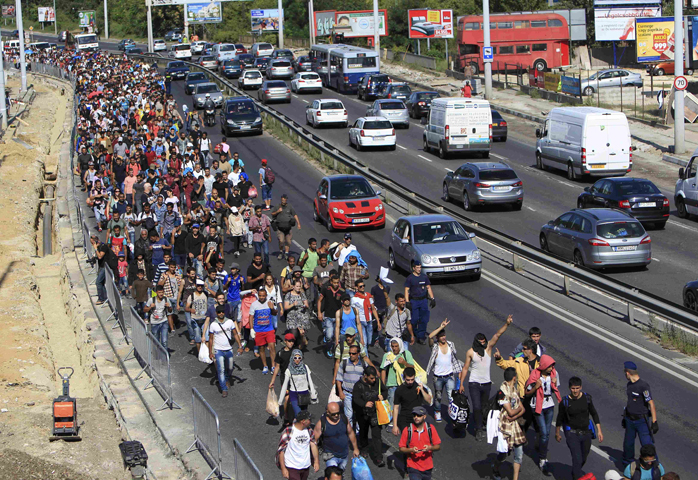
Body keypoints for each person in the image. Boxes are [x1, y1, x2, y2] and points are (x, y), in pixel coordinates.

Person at [458, 315, 513, 439]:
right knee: (476, 407)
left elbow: (497, 335)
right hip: (474, 383)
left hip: (486, 384)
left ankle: (483, 424)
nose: (483, 344)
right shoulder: (470, 352)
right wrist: (461, 383)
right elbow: (465, 368)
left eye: (484, 342)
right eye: (481, 342)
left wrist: (507, 324)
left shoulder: (488, 348)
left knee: (484, 408)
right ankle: (478, 430)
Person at [555, 377, 603, 480]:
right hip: (572, 434)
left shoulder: (587, 398)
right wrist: (557, 433)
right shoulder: (565, 401)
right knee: (577, 458)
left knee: (583, 458)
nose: (575, 391)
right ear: (569, 388)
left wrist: (599, 430)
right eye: (573, 388)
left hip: (586, 433)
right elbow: (560, 418)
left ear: (581, 387)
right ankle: (577, 477)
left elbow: (594, 413)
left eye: (577, 388)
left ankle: (575, 473)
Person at [525, 354, 561, 475]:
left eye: (552, 366)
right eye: (550, 366)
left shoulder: (554, 374)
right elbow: (527, 392)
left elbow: (556, 388)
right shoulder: (535, 375)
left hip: (549, 405)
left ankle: (540, 446)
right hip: (538, 406)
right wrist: (536, 387)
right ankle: (542, 459)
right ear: (544, 365)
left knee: (546, 433)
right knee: (544, 433)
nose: (552, 368)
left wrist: (555, 383)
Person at [494, 338, 540, 432]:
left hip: (537, 397)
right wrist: (499, 358)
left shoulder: (540, 362)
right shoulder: (519, 361)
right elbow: (506, 364)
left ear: (530, 350)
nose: (522, 350)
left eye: (524, 349)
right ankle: (521, 440)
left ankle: (538, 441)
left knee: (537, 423)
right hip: (524, 396)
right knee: (522, 422)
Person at [491, 367, 527, 480]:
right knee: (504, 454)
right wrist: (515, 412)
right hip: (505, 427)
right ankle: (495, 468)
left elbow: (522, 409)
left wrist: (514, 416)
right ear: (514, 378)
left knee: (519, 454)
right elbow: (511, 411)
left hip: (515, 426)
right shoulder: (502, 392)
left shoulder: (514, 391)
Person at [425, 319, 462, 424]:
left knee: (451, 397)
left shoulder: (451, 344)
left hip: (450, 376)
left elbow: (455, 359)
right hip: (438, 377)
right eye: (441, 336)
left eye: (444, 335)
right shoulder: (435, 347)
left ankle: (452, 415)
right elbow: (430, 337)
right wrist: (441, 327)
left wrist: (458, 371)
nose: (443, 337)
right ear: (438, 337)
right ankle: (437, 411)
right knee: (438, 396)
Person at [622, 361, 658, 467]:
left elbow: (651, 403)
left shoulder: (643, 386)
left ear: (628, 372)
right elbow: (630, 402)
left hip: (641, 421)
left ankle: (655, 466)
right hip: (629, 420)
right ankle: (628, 465)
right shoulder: (629, 385)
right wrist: (625, 416)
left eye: (625, 372)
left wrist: (654, 421)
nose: (625, 375)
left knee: (647, 445)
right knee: (628, 444)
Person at [352, 366, 387, 467]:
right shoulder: (358, 386)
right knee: (363, 432)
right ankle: (364, 448)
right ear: (365, 376)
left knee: (377, 436)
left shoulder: (378, 382)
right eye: (371, 378)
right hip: (363, 414)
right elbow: (356, 399)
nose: (373, 380)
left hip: (375, 413)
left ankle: (379, 458)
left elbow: (384, 391)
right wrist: (364, 404)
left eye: (375, 377)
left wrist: (382, 396)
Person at [313, 402, 360, 471]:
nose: (336, 415)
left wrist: (355, 448)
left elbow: (351, 433)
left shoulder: (344, 419)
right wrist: (316, 460)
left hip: (344, 455)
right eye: (333, 414)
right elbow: (314, 441)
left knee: (340, 474)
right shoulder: (322, 423)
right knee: (333, 474)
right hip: (330, 455)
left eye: (338, 413)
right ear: (328, 412)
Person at [208, 305, 243, 397]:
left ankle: (227, 378)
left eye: (222, 312)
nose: (221, 313)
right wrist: (210, 352)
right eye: (219, 312)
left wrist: (240, 345)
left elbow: (235, 334)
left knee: (230, 367)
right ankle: (224, 388)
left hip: (228, 349)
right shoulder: (213, 325)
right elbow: (211, 339)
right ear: (216, 313)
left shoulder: (230, 322)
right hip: (218, 350)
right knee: (221, 370)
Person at [398, 406, 441, 480]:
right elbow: (401, 448)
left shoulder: (431, 428)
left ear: (424, 416)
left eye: (419, 415)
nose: (416, 417)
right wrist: (411, 450)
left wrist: (430, 448)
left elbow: (438, 446)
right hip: (413, 467)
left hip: (428, 467)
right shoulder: (407, 430)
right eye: (414, 415)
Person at [277, 410, 320, 480]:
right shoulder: (288, 431)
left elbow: (313, 445)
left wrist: (316, 461)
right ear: (303, 421)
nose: (311, 421)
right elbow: (281, 451)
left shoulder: (309, 431)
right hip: (292, 467)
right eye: (309, 420)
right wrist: (283, 468)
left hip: (305, 466)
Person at [279, 350, 318, 418]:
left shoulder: (305, 367)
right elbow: (284, 386)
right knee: (298, 415)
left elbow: (310, 381)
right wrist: (280, 401)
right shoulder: (289, 370)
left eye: (299, 358)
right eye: (295, 358)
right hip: (294, 394)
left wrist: (313, 394)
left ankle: (301, 427)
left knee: (304, 415)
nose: (297, 360)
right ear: (292, 358)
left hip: (305, 394)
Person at [335, 343, 367, 426]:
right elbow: (338, 379)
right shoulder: (344, 363)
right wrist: (341, 392)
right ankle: (349, 434)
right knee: (348, 415)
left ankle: (357, 435)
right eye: (350, 353)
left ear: (358, 354)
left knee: (359, 415)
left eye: (353, 353)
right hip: (347, 394)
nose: (351, 355)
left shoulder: (364, 364)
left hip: (359, 395)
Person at [404, 261, 435, 344]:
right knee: (414, 319)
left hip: (423, 301)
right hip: (414, 301)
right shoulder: (410, 278)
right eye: (417, 268)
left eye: (420, 267)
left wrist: (432, 298)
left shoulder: (424, 277)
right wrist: (407, 302)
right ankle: (412, 332)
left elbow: (428, 287)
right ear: (413, 268)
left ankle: (421, 336)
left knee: (424, 319)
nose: (419, 269)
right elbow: (406, 290)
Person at [381, 337, 415, 413]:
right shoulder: (387, 355)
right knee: (392, 406)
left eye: (396, 346)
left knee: (405, 405)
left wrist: (404, 363)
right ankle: (392, 422)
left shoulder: (406, 354)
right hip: (392, 384)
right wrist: (383, 385)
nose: (394, 348)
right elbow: (383, 370)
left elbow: (412, 367)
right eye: (392, 346)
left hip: (404, 384)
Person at [249, 286, 278, 374]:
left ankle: (273, 366)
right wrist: (251, 329)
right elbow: (251, 317)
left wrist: (272, 308)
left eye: (263, 296)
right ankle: (265, 366)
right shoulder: (254, 304)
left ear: (266, 295)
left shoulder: (269, 302)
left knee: (272, 347)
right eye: (260, 296)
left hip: (269, 329)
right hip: (259, 330)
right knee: (261, 348)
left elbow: (275, 313)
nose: (262, 297)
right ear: (258, 295)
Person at [318, 275, 344, 357]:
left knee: (336, 335)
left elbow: (344, 304)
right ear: (331, 282)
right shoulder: (326, 289)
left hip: (337, 317)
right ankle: (328, 347)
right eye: (334, 282)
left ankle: (332, 347)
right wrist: (319, 312)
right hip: (328, 316)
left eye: (337, 282)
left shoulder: (342, 292)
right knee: (329, 335)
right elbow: (320, 300)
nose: (336, 284)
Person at [351, 279, 382, 349]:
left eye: (363, 286)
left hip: (369, 321)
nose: (362, 287)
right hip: (361, 321)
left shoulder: (368, 296)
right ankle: (365, 358)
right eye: (360, 286)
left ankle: (363, 352)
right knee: (364, 342)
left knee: (369, 341)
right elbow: (353, 312)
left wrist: (378, 321)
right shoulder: (354, 299)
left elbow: (373, 309)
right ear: (356, 287)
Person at [144, 285, 173, 350]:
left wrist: (169, 307)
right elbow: (145, 309)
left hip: (164, 322)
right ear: (156, 292)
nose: (161, 294)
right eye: (159, 292)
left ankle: (165, 357)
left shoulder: (166, 299)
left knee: (164, 341)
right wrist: (150, 307)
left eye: (162, 292)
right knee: (156, 341)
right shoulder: (151, 300)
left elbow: (170, 311)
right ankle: (157, 355)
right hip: (154, 323)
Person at [272, 194, 300, 260]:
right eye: (282, 200)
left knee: (288, 241)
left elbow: (295, 215)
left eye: (284, 200)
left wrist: (298, 223)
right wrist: (278, 211)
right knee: (281, 241)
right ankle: (281, 252)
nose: (283, 201)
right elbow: (272, 214)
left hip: (288, 228)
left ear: (286, 200)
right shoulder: (277, 206)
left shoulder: (289, 207)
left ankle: (286, 253)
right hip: (280, 228)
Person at [185, 279, 209, 351]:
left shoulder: (205, 294)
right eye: (198, 286)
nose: (200, 287)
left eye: (201, 286)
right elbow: (186, 308)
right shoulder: (191, 296)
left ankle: (207, 353)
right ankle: (199, 353)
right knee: (198, 338)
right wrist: (190, 310)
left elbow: (215, 295)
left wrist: (206, 286)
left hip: (204, 319)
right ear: (195, 286)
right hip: (195, 320)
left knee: (206, 337)